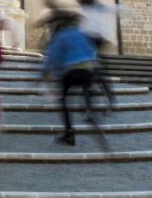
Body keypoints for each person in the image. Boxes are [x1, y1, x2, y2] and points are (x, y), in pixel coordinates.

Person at [41, 9, 105, 147]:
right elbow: (92, 51)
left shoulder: (61, 35)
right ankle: (89, 109)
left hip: (71, 70)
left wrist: (44, 74)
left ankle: (69, 133)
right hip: (88, 69)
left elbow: (52, 56)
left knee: (63, 99)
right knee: (85, 86)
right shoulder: (82, 34)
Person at [76, 0, 118, 110]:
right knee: (94, 71)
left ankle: (103, 98)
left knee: (91, 71)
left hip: (95, 41)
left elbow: (84, 27)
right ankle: (108, 98)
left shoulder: (94, 9)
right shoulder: (94, 9)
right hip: (96, 41)